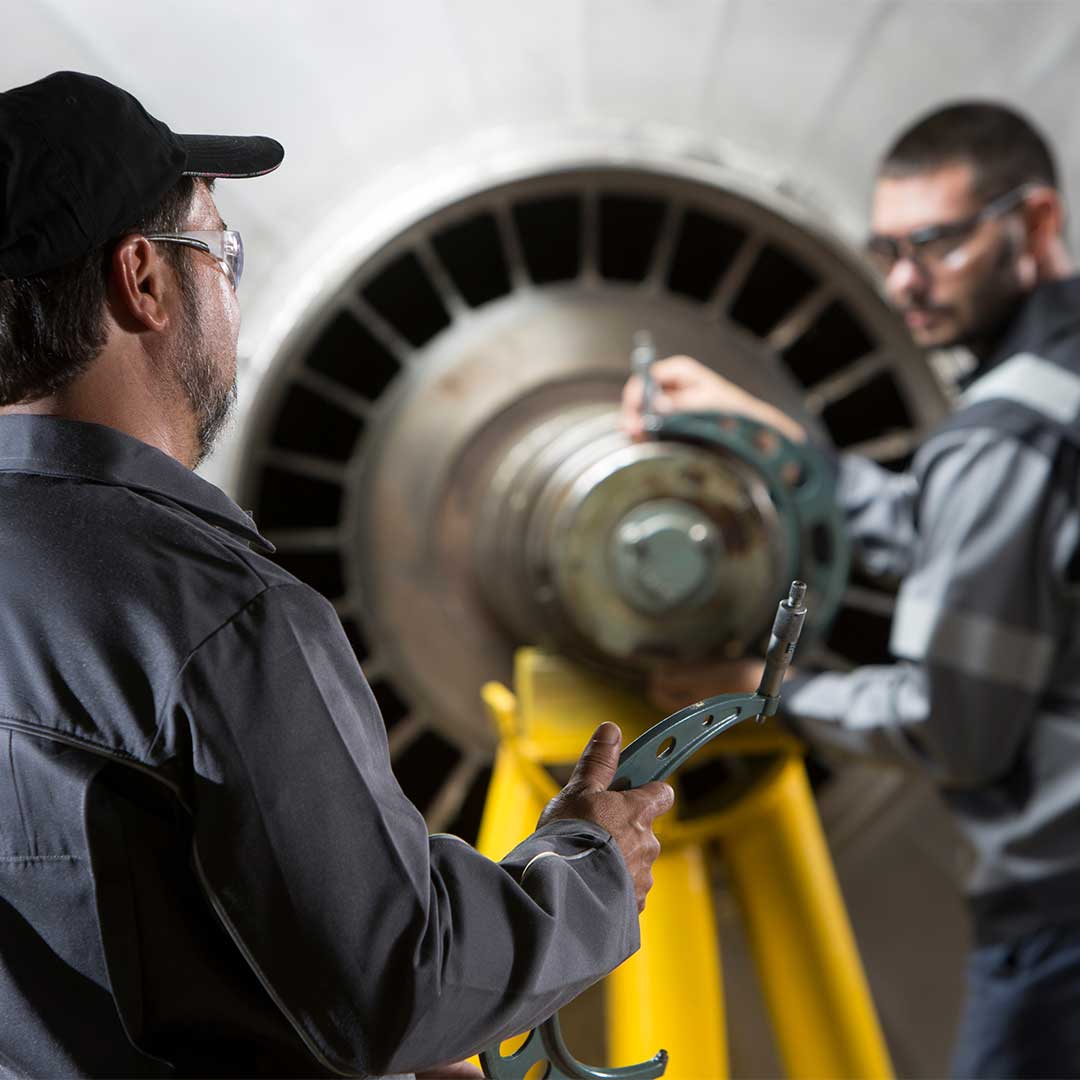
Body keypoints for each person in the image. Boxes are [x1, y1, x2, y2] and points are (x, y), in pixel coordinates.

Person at [0, 71, 673, 1078]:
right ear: (141, 280)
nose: (229, 290)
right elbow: (402, 987)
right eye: (218, 252)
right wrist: (588, 867)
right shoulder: (218, 618)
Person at [622, 102, 1080, 1079]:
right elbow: (975, 550)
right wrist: (785, 449)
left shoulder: (1006, 434)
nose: (906, 282)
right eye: (887, 252)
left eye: (936, 244)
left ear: (1037, 224)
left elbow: (950, 729)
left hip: (1060, 921)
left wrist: (763, 689)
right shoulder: (1052, 398)